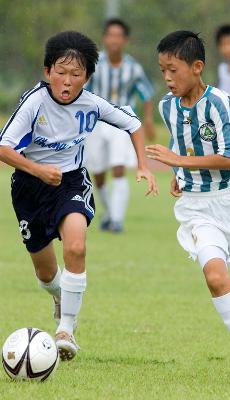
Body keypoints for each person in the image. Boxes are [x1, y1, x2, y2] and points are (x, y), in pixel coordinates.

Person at [0, 30, 158, 361]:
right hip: (29, 188)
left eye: (76, 74)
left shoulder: (92, 103)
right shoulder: (34, 102)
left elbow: (133, 124)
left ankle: (66, 330)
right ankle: (59, 297)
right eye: (61, 72)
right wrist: (38, 170)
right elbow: (3, 147)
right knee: (45, 274)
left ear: (87, 77)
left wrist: (142, 165)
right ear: (47, 72)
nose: (68, 81)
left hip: (71, 182)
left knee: (76, 246)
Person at [147, 30, 230, 386]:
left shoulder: (219, 102)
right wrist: (179, 172)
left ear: (197, 67)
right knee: (215, 276)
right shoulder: (166, 106)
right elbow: (183, 144)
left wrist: (178, 161)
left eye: (173, 70)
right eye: (163, 71)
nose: (168, 79)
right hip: (196, 207)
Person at [85, 18, 156, 232]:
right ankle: (108, 213)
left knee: (118, 167)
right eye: (110, 35)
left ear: (125, 40)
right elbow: (84, 89)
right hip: (96, 121)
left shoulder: (133, 67)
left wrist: (149, 119)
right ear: (105, 38)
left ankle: (117, 220)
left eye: (118, 36)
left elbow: (146, 93)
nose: (114, 40)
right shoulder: (95, 63)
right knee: (97, 172)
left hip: (122, 120)